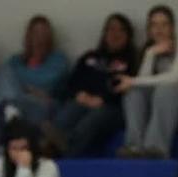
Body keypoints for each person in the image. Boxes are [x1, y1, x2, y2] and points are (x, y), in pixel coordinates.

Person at [0, 13, 68, 155]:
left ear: (49, 36)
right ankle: (11, 114)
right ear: (28, 36)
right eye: (36, 32)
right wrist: (23, 90)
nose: (39, 37)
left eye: (43, 33)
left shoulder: (58, 60)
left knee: (1, 98)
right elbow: (3, 82)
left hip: (42, 107)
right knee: (4, 76)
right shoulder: (16, 61)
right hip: (19, 102)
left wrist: (21, 88)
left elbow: (47, 81)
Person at [117, 4, 178, 159]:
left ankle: (156, 149)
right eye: (154, 25)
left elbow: (174, 78)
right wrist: (150, 54)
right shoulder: (150, 50)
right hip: (158, 111)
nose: (159, 29)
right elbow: (142, 82)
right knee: (134, 93)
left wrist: (132, 80)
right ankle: (134, 146)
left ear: (172, 28)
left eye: (164, 24)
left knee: (165, 89)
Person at [48, 14, 132, 157]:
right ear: (104, 33)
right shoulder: (89, 56)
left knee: (93, 119)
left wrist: (103, 100)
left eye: (120, 30)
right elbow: (71, 82)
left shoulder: (132, 60)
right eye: (111, 29)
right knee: (70, 109)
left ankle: (66, 151)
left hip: (112, 107)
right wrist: (79, 94)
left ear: (128, 35)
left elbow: (130, 90)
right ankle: (51, 145)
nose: (115, 34)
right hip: (82, 100)